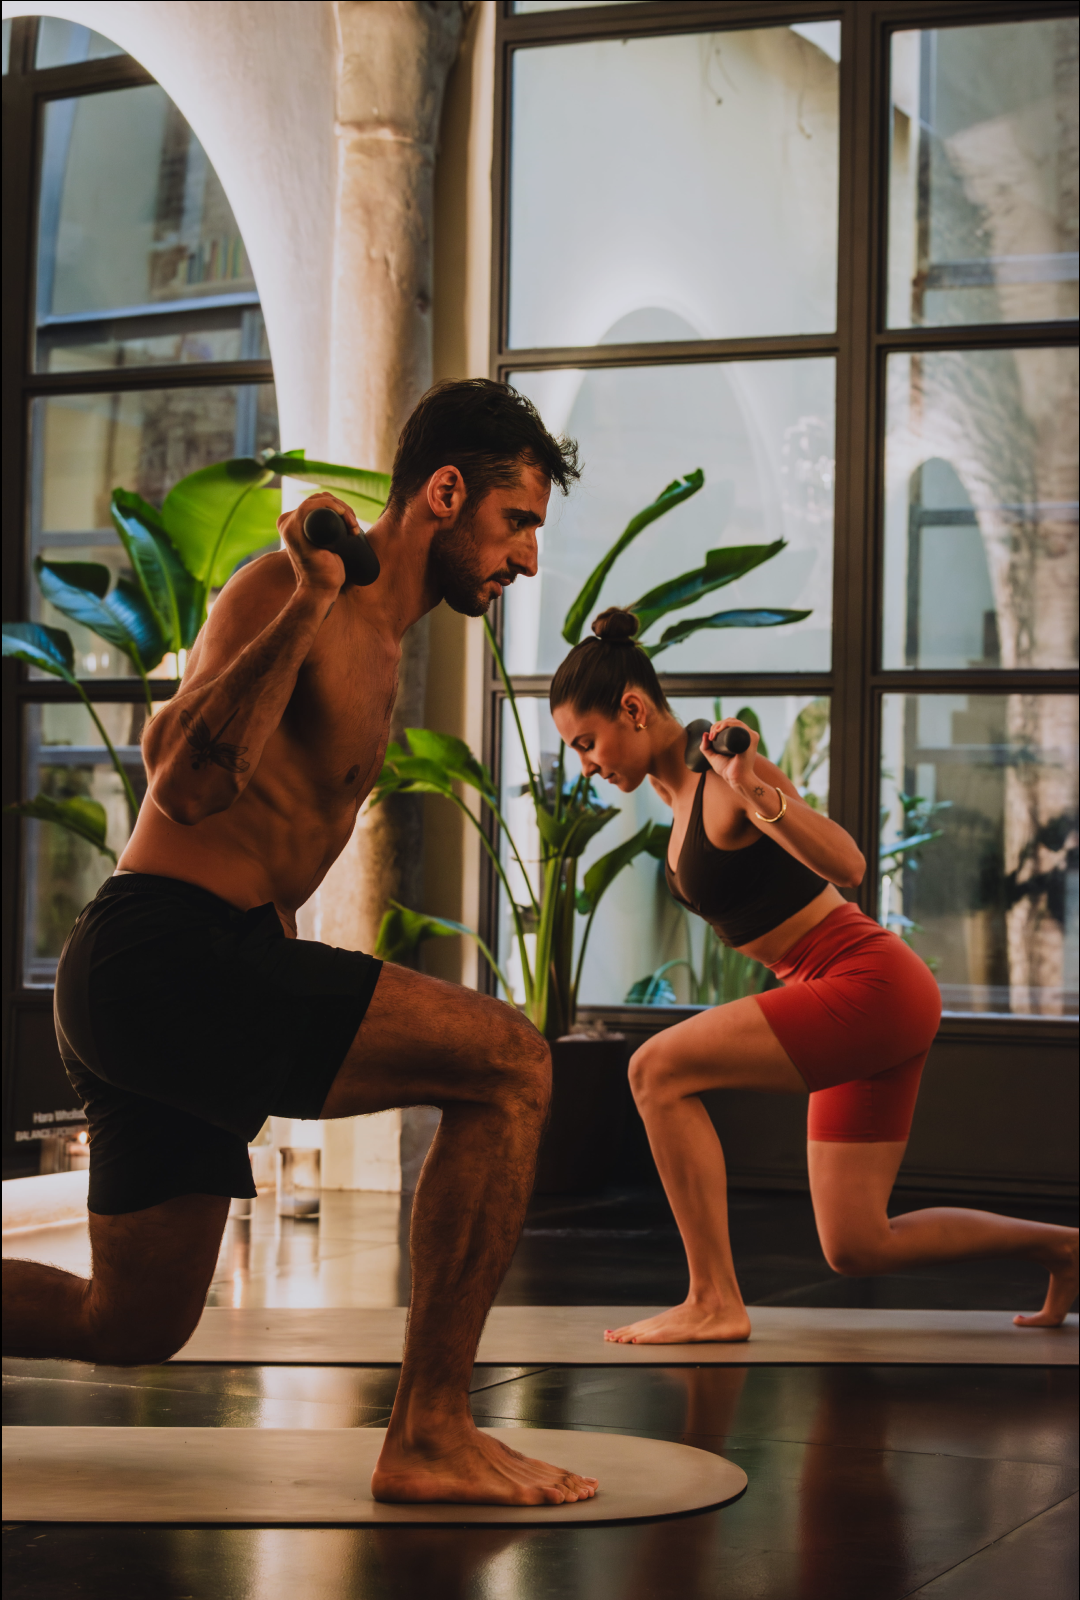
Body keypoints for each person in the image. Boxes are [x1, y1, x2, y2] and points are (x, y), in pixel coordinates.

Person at [3, 379, 600, 1507]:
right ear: (444, 491)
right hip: (165, 954)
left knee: (129, 1320)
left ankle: (431, 1427)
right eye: (516, 522)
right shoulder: (289, 584)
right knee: (513, 1062)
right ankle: (428, 1428)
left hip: (180, 973)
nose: (525, 559)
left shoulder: (391, 642)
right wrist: (313, 594)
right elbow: (180, 783)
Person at [549, 607, 1079, 1344]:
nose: (586, 764)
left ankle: (713, 1300)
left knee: (655, 1069)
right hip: (847, 992)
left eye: (586, 742)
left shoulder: (725, 772)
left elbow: (850, 866)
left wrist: (758, 790)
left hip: (866, 983)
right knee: (858, 1243)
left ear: (632, 709)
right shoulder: (678, 801)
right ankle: (1063, 1246)